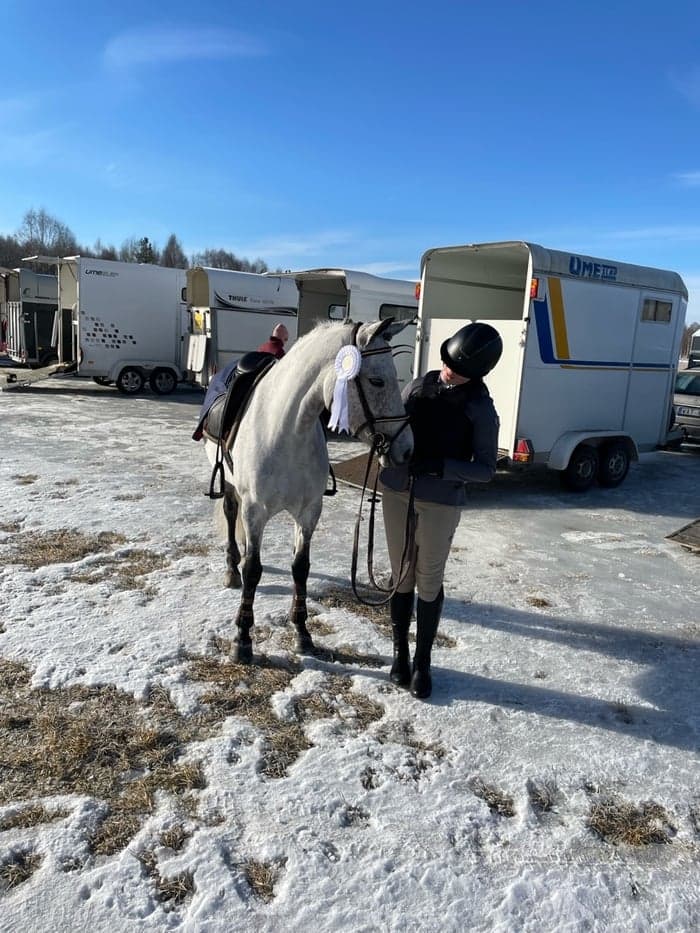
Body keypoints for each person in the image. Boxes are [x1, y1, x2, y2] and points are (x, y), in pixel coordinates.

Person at [380, 321, 503, 699]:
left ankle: (423, 662)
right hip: (397, 490)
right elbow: (393, 422)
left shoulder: (481, 409)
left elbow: (485, 469)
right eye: (447, 361)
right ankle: (399, 652)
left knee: (428, 580)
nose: (448, 370)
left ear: (477, 374)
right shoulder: (420, 384)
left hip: (440, 501)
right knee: (401, 576)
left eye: (458, 368)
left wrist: (441, 467)